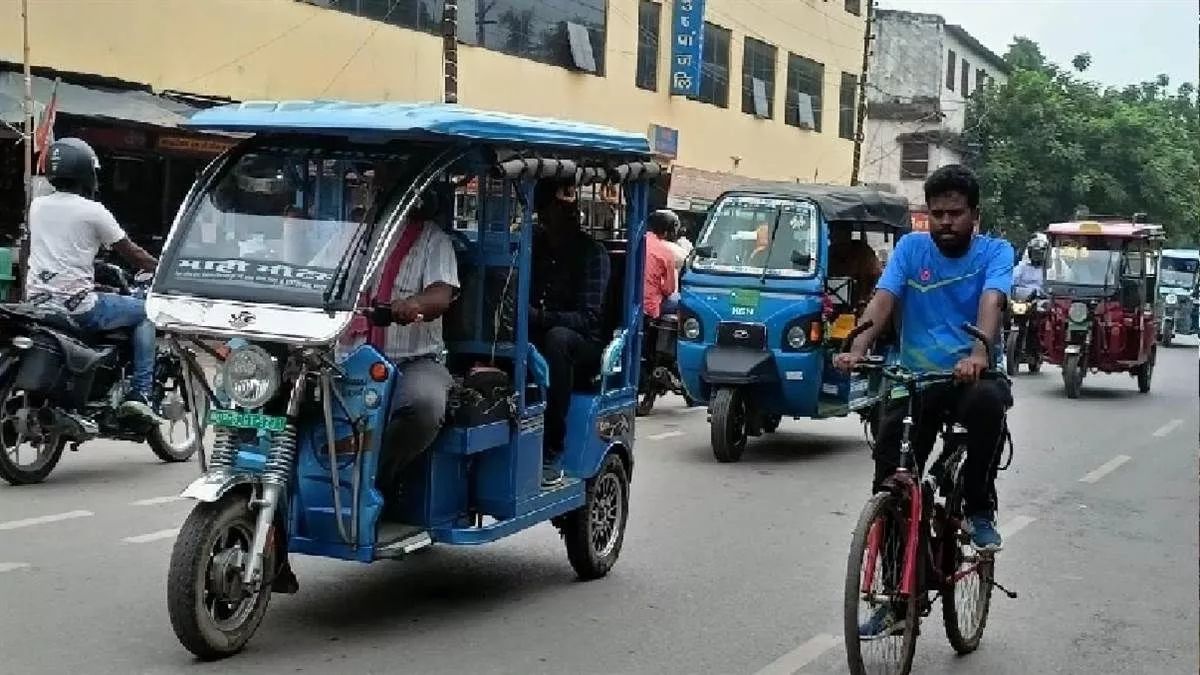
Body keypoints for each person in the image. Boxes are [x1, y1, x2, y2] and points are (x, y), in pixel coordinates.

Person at [835, 164, 1012, 547]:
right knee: (889, 469)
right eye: (937, 215)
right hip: (914, 379)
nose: (946, 222)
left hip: (970, 378)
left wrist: (979, 354)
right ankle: (895, 582)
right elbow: (884, 299)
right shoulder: (911, 249)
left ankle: (978, 508)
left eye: (956, 214)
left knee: (988, 406)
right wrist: (857, 348)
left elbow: (992, 300)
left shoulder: (996, 252)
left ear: (975, 216)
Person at [25, 137, 160, 421]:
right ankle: (141, 394)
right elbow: (131, 252)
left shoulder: (37, 206)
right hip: (79, 308)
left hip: (38, 302)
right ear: (86, 172)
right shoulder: (93, 211)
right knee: (147, 312)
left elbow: (61, 252)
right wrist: (162, 269)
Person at [529, 178, 610, 486]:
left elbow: (589, 318)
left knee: (557, 340)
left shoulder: (592, 253)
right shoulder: (534, 244)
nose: (566, 213)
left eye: (569, 208)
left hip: (583, 343)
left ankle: (553, 447)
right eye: (555, 208)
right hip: (535, 328)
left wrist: (542, 317)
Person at [828, 226, 883, 303]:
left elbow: (875, 272)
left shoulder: (863, 251)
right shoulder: (828, 252)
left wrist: (866, 295)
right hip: (831, 300)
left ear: (849, 235)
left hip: (860, 298)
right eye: (833, 235)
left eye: (840, 234)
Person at [643, 209, 680, 318]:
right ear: (666, 232)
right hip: (649, 306)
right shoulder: (666, 252)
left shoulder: (637, 241)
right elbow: (669, 290)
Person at [1012, 233, 1048, 301]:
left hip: (1044, 301)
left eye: (1039, 253)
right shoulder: (1022, 267)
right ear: (1030, 252)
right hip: (1024, 301)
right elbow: (1011, 282)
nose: (1037, 255)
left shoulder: (1050, 269)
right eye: (1035, 252)